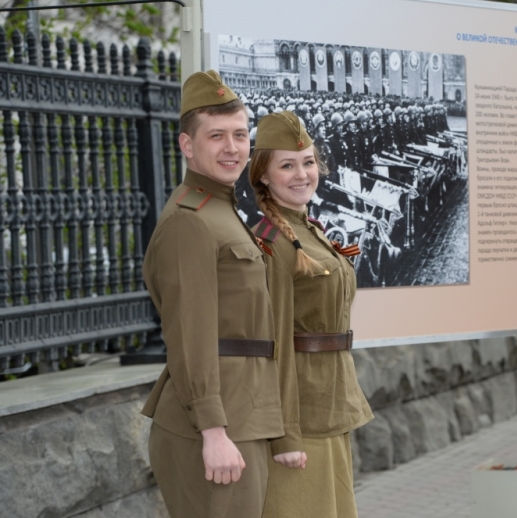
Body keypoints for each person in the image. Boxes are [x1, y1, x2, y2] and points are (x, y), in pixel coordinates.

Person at [140, 70, 300, 518]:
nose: (232, 147)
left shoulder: (223, 210)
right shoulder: (190, 220)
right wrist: (213, 430)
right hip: (214, 425)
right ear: (187, 146)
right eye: (216, 136)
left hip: (244, 414)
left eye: (239, 134)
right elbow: (190, 335)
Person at [248, 111, 374, 517]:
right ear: (263, 174)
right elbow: (273, 345)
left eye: (308, 162)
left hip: (331, 405)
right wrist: (285, 436)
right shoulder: (272, 242)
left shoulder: (308, 229)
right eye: (287, 165)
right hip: (301, 417)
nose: (302, 173)